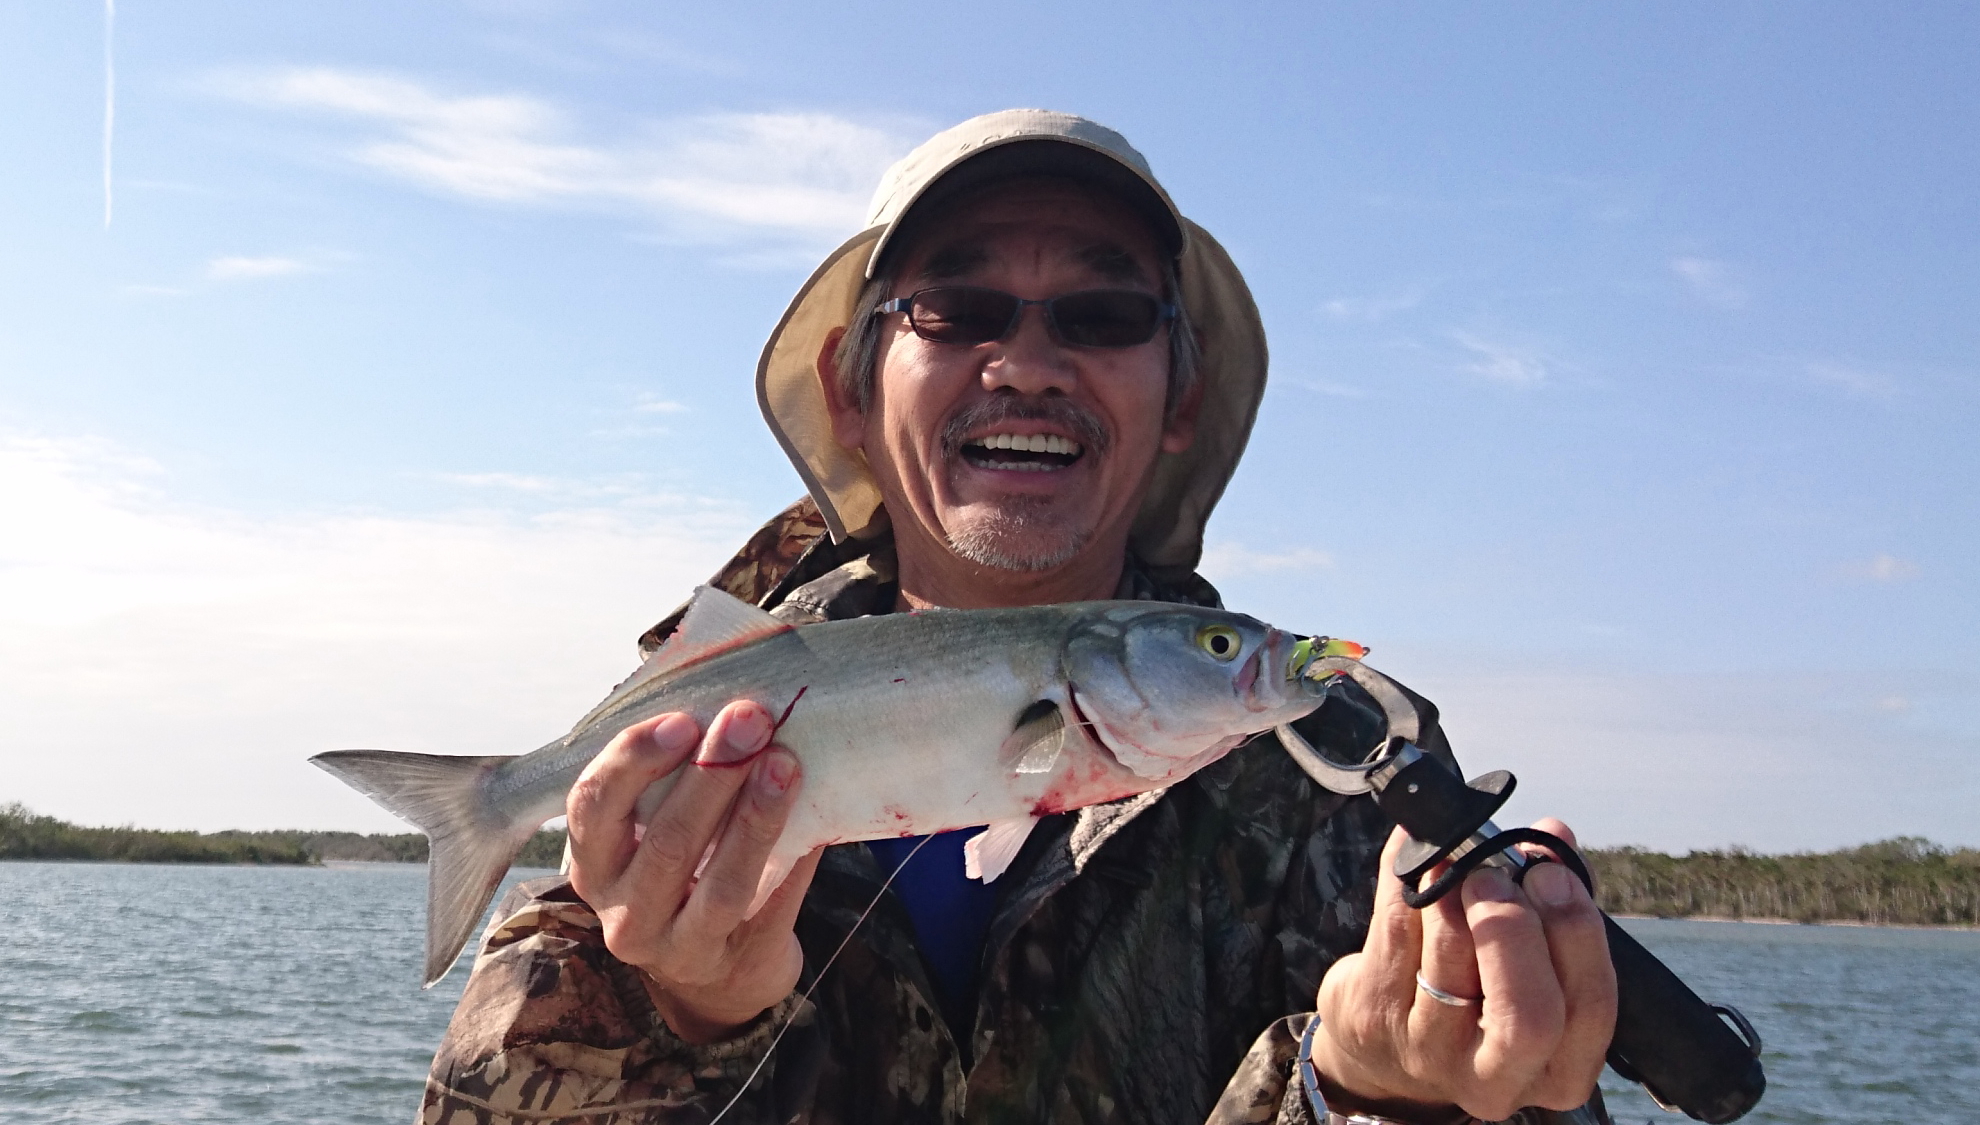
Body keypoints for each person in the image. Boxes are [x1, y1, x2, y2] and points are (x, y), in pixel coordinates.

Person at [414, 110, 1617, 1125]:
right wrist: (680, 1017)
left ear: (1182, 396)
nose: (1028, 363)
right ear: (847, 389)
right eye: (955, 307)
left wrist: (1362, 1092)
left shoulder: (1347, 760)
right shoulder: (680, 726)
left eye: (1102, 315)